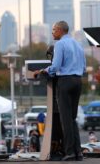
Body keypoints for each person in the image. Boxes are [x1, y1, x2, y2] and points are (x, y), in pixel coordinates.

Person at [34, 21, 86, 161]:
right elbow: (84, 67)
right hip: (78, 81)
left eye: (53, 30)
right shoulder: (78, 44)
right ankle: (78, 152)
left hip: (65, 82)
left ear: (60, 30)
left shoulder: (60, 44)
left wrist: (43, 71)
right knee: (72, 118)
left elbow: (55, 66)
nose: (52, 33)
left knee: (65, 119)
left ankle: (69, 152)